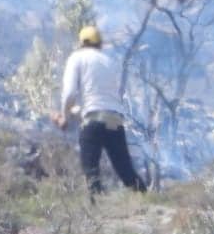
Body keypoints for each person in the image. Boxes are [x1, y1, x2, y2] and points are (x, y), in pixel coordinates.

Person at [53, 25, 147, 194]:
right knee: (126, 171)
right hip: (115, 121)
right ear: (99, 43)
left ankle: (97, 205)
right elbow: (106, 100)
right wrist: (77, 111)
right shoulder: (109, 62)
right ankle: (147, 199)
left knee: (91, 173)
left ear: (81, 42)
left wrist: (64, 116)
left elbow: (70, 93)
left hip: (93, 121)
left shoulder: (77, 58)